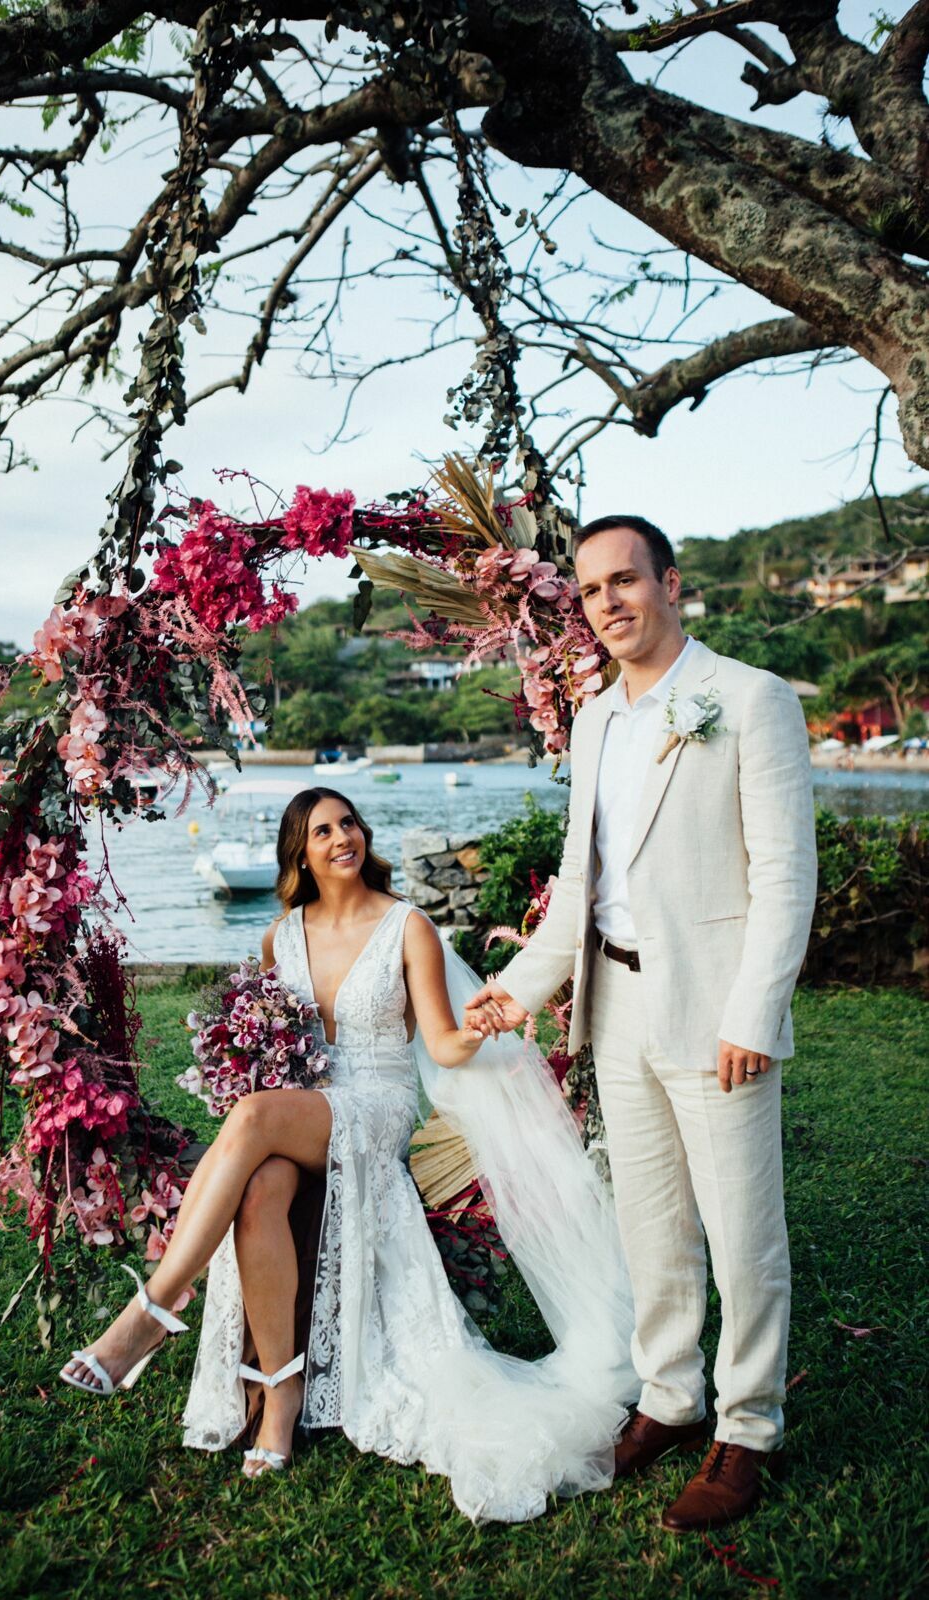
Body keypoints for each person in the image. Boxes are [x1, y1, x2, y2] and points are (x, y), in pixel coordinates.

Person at [60, 788, 635, 1523]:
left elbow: (441, 1042)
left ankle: (155, 1305)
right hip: (303, 1112)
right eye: (322, 830)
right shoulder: (280, 937)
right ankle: (281, 1397)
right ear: (300, 850)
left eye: (348, 824)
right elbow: (272, 1040)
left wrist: (487, 1024)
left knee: (253, 1116)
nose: (342, 838)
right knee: (263, 1182)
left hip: (375, 1108)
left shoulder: (407, 928)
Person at [466, 514, 817, 1533]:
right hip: (613, 1007)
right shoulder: (595, 720)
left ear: (669, 584)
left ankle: (746, 1427)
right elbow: (583, 885)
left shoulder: (748, 701)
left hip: (717, 1014)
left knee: (740, 1233)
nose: (606, 602)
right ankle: (669, 1396)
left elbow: (784, 878)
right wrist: (517, 990)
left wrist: (754, 1009)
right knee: (648, 1221)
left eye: (624, 581)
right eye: (587, 590)